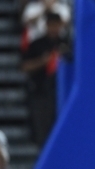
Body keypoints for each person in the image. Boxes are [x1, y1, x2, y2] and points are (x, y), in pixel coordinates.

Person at [21, 11, 70, 145]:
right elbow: (24, 66)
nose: (54, 28)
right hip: (41, 93)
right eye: (51, 25)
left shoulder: (67, 44)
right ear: (46, 25)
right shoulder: (37, 44)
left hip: (65, 93)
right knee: (42, 131)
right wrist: (43, 61)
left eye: (56, 25)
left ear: (60, 25)